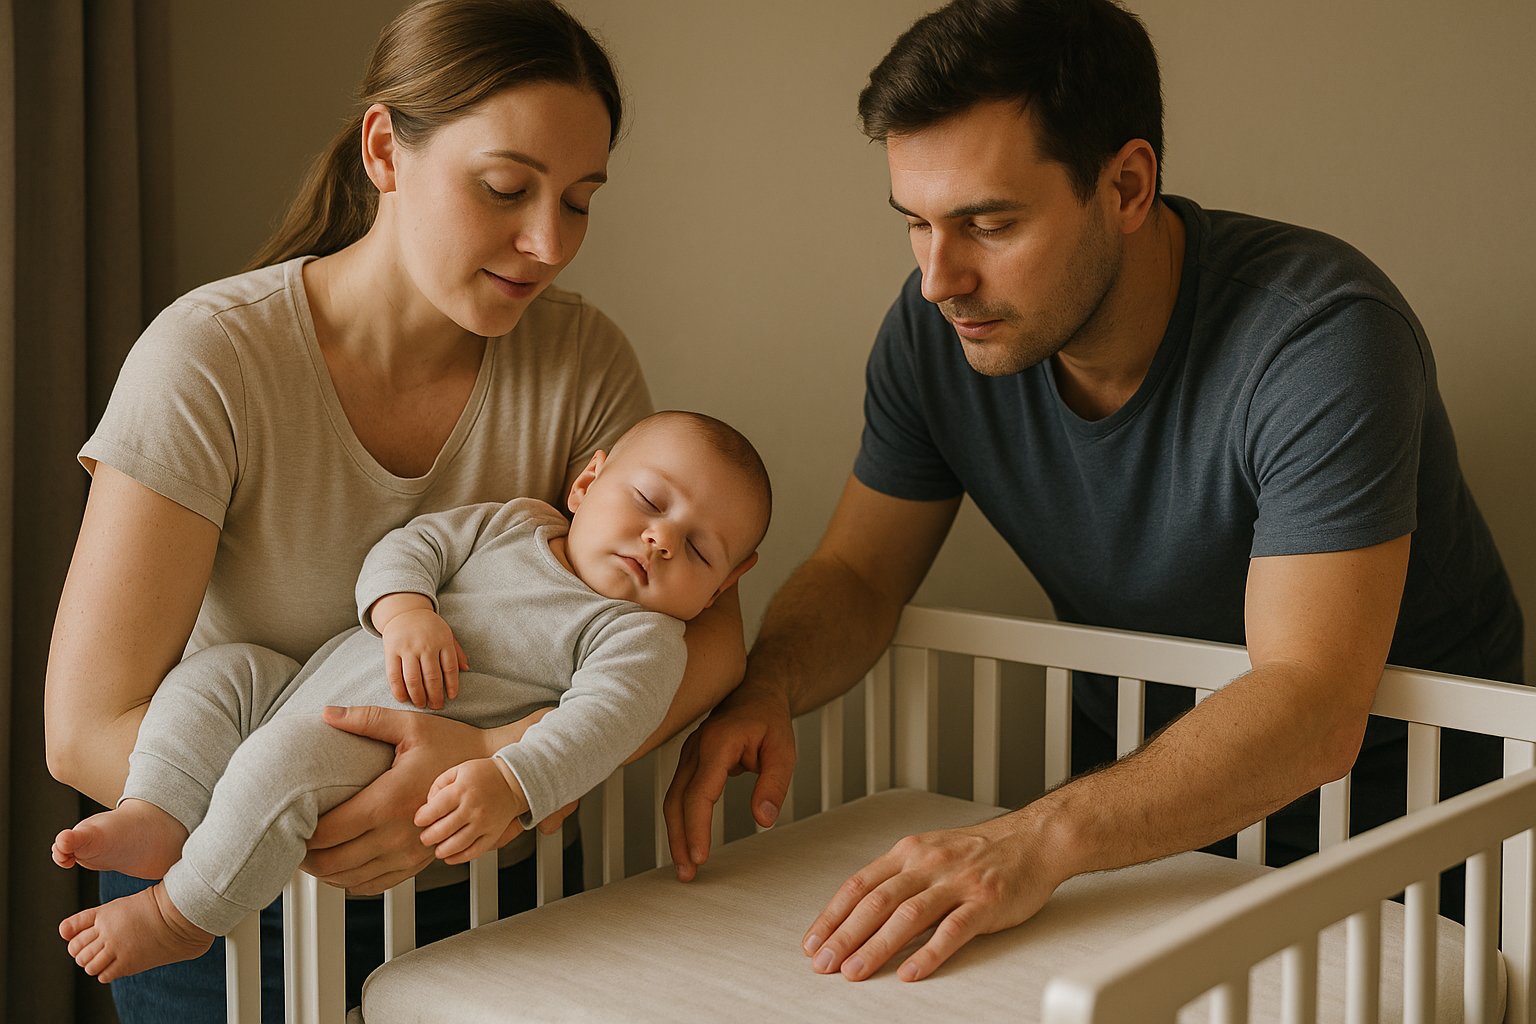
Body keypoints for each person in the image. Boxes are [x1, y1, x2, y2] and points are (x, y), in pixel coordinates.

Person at [663, 0, 1523, 986]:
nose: (941, 277)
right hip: (1134, 840)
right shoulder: (937, 334)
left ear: (1126, 183)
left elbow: (1313, 703)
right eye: (917, 224)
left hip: (1401, 843)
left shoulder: (1322, 337)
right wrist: (767, 685)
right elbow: (858, 573)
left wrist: (1036, 839)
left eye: (988, 223)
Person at [44, 1, 751, 1018]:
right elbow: (83, 731)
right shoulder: (211, 360)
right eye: (507, 187)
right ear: (385, 149)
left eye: (582, 200)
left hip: (499, 891)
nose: (550, 242)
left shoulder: (582, 360)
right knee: (230, 684)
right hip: (230, 903)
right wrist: (319, 795)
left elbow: (705, 639)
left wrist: (495, 770)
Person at [52, 411, 771, 983]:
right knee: (221, 671)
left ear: (723, 586)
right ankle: (159, 807)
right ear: (586, 485)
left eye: (700, 550)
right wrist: (404, 612)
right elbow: (415, 545)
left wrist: (506, 772)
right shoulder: (516, 522)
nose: (660, 540)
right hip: (301, 686)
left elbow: (602, 726)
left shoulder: (640, 637)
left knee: (279, 761)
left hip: (378, 750)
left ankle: (182, 916)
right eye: (649, 502)